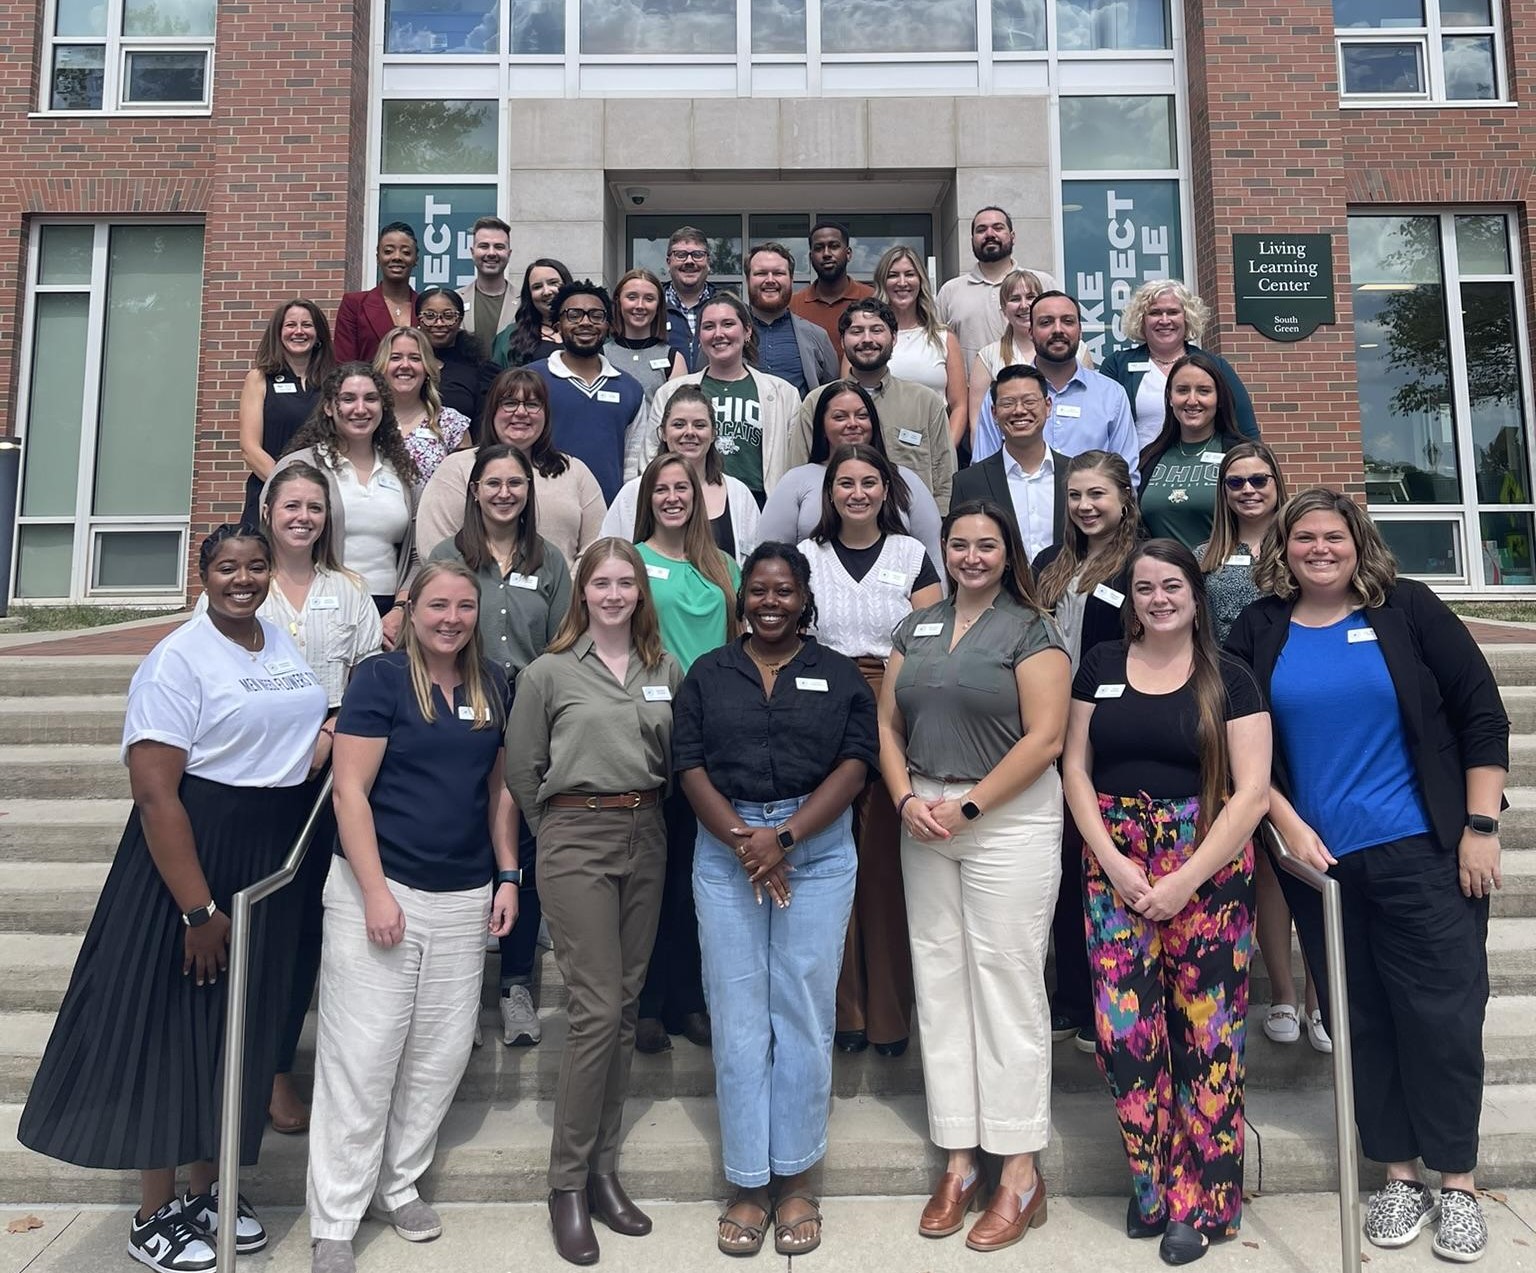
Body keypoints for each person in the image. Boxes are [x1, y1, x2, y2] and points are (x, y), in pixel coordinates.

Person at [19, 525, 328, 1273]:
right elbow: (157, 794)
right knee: (173, 1028)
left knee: (235, 1030)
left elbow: (291, 741)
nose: (244, 579)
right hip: (193, 858)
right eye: (228, 567)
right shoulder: (177, 658)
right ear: (205, 574)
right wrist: (197, 908)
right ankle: (153, 1212)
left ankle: (207, 1191)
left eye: (256, 566)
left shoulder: (275, 642)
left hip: (267, 856)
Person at [1226, 491, 1508, 1264]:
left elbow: (1482, 711)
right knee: (1362, 1018)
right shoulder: (1261, 627)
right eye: (1304, 537)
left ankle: (1458, 1183)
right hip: (1324, 868)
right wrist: (1283, 817)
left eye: (1334, 536)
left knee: (1444, 1019)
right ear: (1282, 547)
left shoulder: (1408, 608)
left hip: (1424, 852)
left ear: (1358, 543)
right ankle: (1397, 1173)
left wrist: (1480, 827)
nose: (1320, 548)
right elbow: (1237, 739)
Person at [1062, 538, 1270, 1264]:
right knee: (1126, 1035)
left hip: (1206, 863)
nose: (1157, 597)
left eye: (1171, 584)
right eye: (1144, 587)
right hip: (1114, 862)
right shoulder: (1100, 668)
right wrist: (1114, 862)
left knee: (1206, 1038)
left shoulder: (1230, 678)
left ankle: (1201, 1202)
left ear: (1195, 593)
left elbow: (1250, 792)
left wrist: (1186, 877)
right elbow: (1076, 769)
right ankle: (1150, 1182)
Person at [307, 561, 518, 1273]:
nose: (451, 618)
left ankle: (397, 1184)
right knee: (361, 1058)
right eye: (436, 605)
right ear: (412, 607)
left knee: (439, 1053)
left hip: (462, 893)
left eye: (464, 606)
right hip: (382, 885)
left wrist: (507, 874)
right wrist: (373, 891)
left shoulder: (496, 683)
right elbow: (350, 792)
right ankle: (335, 1215)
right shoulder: (380, 679)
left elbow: (500, 793)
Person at [675, 542, 877, 1258]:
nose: (769, 601)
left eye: (783, 591)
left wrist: (784, 839)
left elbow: (858, 762)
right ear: (742, 597)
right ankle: (747, 1183)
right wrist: (745, 842)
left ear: (804, 599)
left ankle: (795, 1178)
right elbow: (688, 761)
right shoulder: (709, 673)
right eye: (758, 589)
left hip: (815, 852)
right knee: (736, 1016)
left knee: (801, 1009)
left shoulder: (838, 672)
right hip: (725, 846)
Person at [879, 499, 1069, 1252]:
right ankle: (959, 1156)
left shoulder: (1031, 628)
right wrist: (903, 797)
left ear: (1006, 550)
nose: (971, 555)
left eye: (986, 544)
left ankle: (1019, 1167)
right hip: (923, 813)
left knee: (1006, 979)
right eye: (958, 543)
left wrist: (971, 807)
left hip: (1006, 816)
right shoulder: (915, 624)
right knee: (940, 979)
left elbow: (1047, 735)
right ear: (945, 550)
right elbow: (888, 724)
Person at [504, 539, 683, 1267]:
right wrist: (556, 834)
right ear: (582, 593)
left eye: (625, 583)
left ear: (641, 592)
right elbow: (522, 768)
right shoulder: (549, 672)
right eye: (600, 583)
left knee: (626, 1008)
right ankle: (566, 1183)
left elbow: (675, 761)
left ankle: (605, 1170)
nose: (613, 594)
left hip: (648, 832)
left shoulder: (664, 668)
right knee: (594, 1008)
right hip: (575, 832)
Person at [252, 464, 383, 1135]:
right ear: (269, 509)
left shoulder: (349, 591)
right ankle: (258, 1065)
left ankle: (287, 1066)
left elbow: (367, 679)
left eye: (315, 506)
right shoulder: (244, 586)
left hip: (331, 778)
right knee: (263, 927)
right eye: (291, 505)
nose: (303, 516)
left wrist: (331, 731)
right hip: (256, 780)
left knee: (311, 929)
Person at [801, 445, 942, 1058]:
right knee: (829, 861)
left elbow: (934, 644)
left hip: (896, 706)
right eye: (845, 483)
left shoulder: (913, 556)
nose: (857, 493)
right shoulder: (807, 557)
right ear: (829, 493)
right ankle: (845, 1013)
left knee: (884, 862)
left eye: (869, 482)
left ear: (888, 490)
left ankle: (889, 1016)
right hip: (823, 705)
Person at [428, 444, 570, 1051]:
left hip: (533, 711)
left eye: (516, 483)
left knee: (527, 849)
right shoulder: (449, 557)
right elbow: (432, 629)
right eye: (494, 483)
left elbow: (566, 639)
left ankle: (516, 986)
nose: (505, 493)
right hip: (467, 706)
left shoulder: (551, 560)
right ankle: (455, 992)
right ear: (475, 490)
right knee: (465, 832)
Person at [1193, 444, 1322, 1050]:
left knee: (1314, 854)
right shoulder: (1206, 557)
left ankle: (1323, 996)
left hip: (1300, 707)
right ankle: (1285, 995)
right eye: (1236, 481)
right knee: (1266, 863)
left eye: (1259, 479)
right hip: (1235, 716)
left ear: (1278, 481)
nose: (1248, 489)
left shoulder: (1300, 548)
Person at [626, 452, 741, 1052]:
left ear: (698, 497)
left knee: (699, 875)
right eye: (662, 489)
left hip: (712, 733)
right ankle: (648, 1003)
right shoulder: (634, 563)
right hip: (650, 731)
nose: (673, 497)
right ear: (648, 498)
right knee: (654, 875)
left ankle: (691, 1001)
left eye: (683, 488)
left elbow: (739, 642)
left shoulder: (723, 566)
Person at [1031, 450, 1143, 1052]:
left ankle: (1111, 1002)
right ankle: (1071, 998)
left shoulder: (1140, 564)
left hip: (1111, 732)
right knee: (1064, 872)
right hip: (1049, 731)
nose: (1085, 506)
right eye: (1075, 496)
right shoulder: (1051, 562)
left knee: (1105, 871)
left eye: (1097, 495)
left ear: (1124, 497)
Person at [272, 363, 421, 648]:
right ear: (329, 407)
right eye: (348, 399)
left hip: (389, 613)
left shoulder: (403, 472)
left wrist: (400, 610)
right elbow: (273, 539)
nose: (361, 408)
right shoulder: (300, 466)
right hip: (320, 606)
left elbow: (416, 554)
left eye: (371, 399)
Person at [417, 368, 605, 568]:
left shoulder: (574, 471)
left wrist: (565, 590)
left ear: (546, 415)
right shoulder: (457, 468)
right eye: (510, 403)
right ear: (492, 411)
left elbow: (597, 546)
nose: (521, 412)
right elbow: (435, 546)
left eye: (533, 404)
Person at [760, 379, 945, 572]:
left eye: (862, 416)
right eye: (840, 417)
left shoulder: (906, 479)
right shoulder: (795, 481)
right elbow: (768, 557)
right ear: (822, 426)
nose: (853, 424)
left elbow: (934, 559)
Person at [789, 298, 956, 511]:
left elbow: (944, 477)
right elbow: (797, 472)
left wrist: (939, 523)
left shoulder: (925, 402)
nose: (867, 340)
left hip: (909, 527)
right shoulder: (817, 402)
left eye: (877, 330)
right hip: (830, 528)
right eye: (856, 331)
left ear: (894, 338)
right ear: (842, 341)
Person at [647, 292, 802, 504]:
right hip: (688, 501)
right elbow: (650, 456)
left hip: (759, 504)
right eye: (709, 327)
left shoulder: (784, 393)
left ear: (747, 331)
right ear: (699, 337)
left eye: (728, 324)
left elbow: (796, 465)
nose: (718, 334)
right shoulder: (670, 393)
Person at [971, 293, 1139, 477]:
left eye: (1068, 321)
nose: (1058, 330)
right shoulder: (1003, 394)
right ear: (1031, 332)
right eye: (1046, 322)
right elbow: (983, 470)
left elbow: (1126, 474)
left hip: (1090, 505)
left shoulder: (1111, 394)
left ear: (1080, 331)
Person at [603, 384, 760, 563]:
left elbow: (753, 566)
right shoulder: (633, 493)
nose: (690, 432)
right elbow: (608, 559)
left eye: (699, 425)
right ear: (662, 432)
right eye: (679, 425)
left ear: (714, 434)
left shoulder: (739, 494)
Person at [1099, 280, 1258, 449]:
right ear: (1141, 319)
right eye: (1155, 313)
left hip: (1204, 469)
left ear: (1187, 317)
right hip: (1137, 471)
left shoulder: (1215, 365)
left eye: (1173, 312)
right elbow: (1100, 427)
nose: (1165, 320)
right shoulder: (1117, 365)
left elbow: (1246, 430)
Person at [530, 280, 646, 504]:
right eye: (574, 315)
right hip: (542, 510)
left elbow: (634, 464)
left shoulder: (631, 389)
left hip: (609, 511)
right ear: (557, 325)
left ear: (609, 326)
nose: (585, 322)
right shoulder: (532, 380)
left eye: (596, 315)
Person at [952, 365, 1067, 561]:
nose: (1019, 410)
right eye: (1008, 404)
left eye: (1029, 401)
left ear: (1048, 406)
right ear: (994, 413)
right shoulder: (969, 482)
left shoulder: (1074, 473)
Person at [239, 299, 336, 527]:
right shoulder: (259, 378)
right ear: (279, 333)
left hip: (322, 498)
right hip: (269, 493)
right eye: (291, 325)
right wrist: (288, 487)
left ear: (318, 334)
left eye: (307, 325)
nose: (299, 331)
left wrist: (314, 492)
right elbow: (249, 448)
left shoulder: (335, 382)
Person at [1138, 352, 1247, 551]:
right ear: (1170, 398)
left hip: (1222, 574)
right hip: (1162, 578)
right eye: (1182, 390)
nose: (1192, 400)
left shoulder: (1241, 454)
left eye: (1204, 391)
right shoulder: (1148, 458)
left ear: (1219, 399)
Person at [935, 207, 1058, 375]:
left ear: (1012, 237)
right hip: (974, 396)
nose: (990, 234)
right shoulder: (950, 291)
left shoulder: (1043, 283)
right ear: (972, 239)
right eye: (981, 230)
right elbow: (937, 350)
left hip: (1038, 394)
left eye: (998, 228)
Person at [873, 244, 968, 447]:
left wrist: (947, 451)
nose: (902, 282)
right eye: (893, 275)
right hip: (879, 452)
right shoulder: (868, 340)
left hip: (933, 448)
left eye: (909, 274)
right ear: (883, 282)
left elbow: (959, 405)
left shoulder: (944, 337)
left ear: (921, 281)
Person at [373, 325, 473, 487]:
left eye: (415, 358)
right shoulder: (368, 419)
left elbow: (465, 485)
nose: (405, 365)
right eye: (395, 357)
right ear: (381, 367)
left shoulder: (451, 423)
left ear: (427, 368)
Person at [744, 241, 839, 394]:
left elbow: (831, 396)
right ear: (748, 280)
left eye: (778, 273)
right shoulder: (723, 334)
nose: (770, 280)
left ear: (791, 279)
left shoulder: (817, 336)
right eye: (761, 273)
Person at [967, 269, 1043, 433]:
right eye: (1015, 299)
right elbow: (977, 425)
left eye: (1031, 297)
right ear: (1003, 309)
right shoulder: (987, 357)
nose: (1024, 305)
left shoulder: (1073, 351)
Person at [334, 222, 418, 363]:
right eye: (388, 251)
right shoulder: (354, 305)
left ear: (416, 259)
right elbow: (344, 364)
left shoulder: (425, 308)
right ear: (378, 257)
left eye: (406, 252)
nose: (397, 257)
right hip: (366, 384)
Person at [605, 267, 688, 408]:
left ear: (659, 306)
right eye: (632, 297)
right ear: (618, 302)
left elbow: (680, 414)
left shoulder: (673, 358)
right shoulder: (601, 355)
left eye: (649, 299)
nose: (640, 305)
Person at [416, 285, 498, 424]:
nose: (439, 323)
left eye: (448, 316)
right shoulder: (406, 364)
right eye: (430, 316)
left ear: (460, 320)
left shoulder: (480, 370)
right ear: (418, 319)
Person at [789, 219, 875, 348]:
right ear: (810, 257)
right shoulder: (793, 305)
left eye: (834, 246)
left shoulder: (873, 298)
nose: (826, 254)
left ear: (848, 254)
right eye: (819, 248)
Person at [491, 258, 572, 369]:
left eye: (553, 283)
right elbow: (494, 381)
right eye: (537, 287)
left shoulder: (592, 330)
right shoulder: (510, 336)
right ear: (529, 295)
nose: (547, 292)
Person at [662, 225, 717, 367]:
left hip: (716, 388)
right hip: (666, 388)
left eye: (698, 255)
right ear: (669, 262)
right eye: (680, 255)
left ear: (708, 262)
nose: (689, 261)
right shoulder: (652, 306)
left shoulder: (725, 305)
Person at [457, 216, 517, 343]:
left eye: (499, 247)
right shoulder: (455, 301)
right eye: (484, 246)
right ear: (472, 252)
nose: (491, 253)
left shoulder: (526, 302)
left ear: (509, 254)